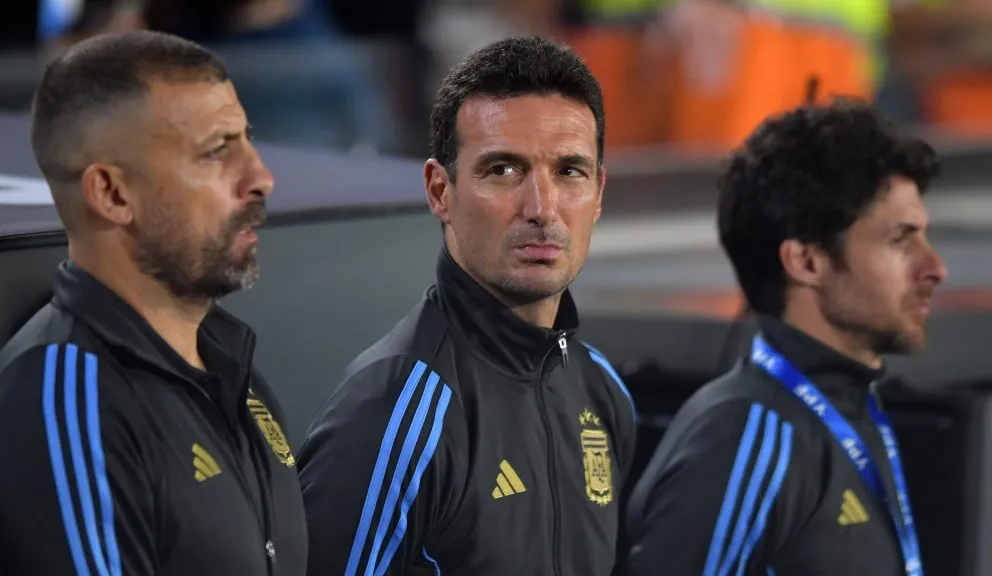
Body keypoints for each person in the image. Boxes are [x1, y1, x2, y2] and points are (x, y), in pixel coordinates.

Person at [0, 30, 308, 575]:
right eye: (216, 151)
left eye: (248, 139)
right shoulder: (64, 402)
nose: (260, 178)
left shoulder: (231, 368)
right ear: (112, 194)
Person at [296, 36, 637, 575]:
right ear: (439, 191)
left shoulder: (602, 390)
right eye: (503, 170)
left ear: (597, 194)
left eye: (569, 171)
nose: (541, 208)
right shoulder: (390, 414)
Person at [624, 99, 946, 576]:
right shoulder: (742, 438)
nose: (936, 268)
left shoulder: (850, 409)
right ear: (807, 262)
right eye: (900, 239)